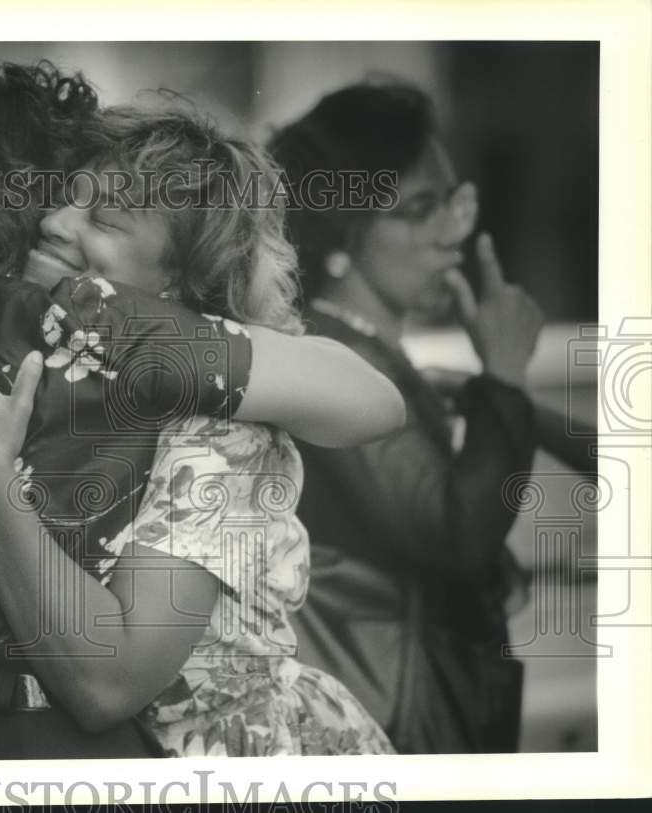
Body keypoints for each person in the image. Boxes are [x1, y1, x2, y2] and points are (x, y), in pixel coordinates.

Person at [0, 64, 403, 760]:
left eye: (102, 217)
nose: (53, 223)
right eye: (58, 196)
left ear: (177, 281)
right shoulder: (61, 338)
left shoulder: (166, 383)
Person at [269, 80, 545, 753]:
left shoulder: (365, 350)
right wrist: (503, 376)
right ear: (343, 230)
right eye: (421, 207)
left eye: (454, 199)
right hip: (392, 734)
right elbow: (455, 534)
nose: (456, 229)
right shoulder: (334, 359)